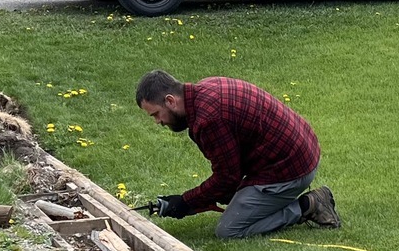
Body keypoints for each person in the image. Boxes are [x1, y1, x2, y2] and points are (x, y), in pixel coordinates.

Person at [134, 70, 340, 238]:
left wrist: (185, 202)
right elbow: (229, 175)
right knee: (229, 196)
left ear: (170, 101)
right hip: (299, 150)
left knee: (229, 230)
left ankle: (309, 205)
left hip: (290, 169)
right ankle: (273, 201)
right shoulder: (205, 88)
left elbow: (227, 178)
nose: (158, 122)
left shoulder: (209, 120)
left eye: (156, 114)